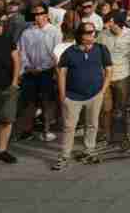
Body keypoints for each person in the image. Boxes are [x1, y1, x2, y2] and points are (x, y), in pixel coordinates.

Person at [55, 22, 112, 170]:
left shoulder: (101, 49)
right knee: (69, 127)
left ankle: (89, 151)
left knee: (92, 124)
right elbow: (61, 73)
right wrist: (63, 95)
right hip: (73, 96)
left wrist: (103, 90)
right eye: (89, 32)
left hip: (95, 94)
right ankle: (65, 156)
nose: (92, 35)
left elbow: (109, 69)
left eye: (93, 32)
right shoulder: (69, 52)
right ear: (80, 35)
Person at [95, 10, 130, 149]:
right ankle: (106, 135)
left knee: (120, 108)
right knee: (106, 108)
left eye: (109, 21)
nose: (107, 24)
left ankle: (122, 137)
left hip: (123, 75)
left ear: (115, 22)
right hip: (105, 76)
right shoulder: (103, 35)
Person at [16, 3, 60, 143]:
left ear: (46, 15)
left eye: (41, 14)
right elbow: (21, 52)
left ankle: (47, 130)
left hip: (47, 72)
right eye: (35, 14)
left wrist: (43, 68)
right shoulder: (27, 32)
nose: (38, 17)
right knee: (29, 102)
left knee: (47, 102)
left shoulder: (55, 32)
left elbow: (56, 53)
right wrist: (27, 68)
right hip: (30, 72)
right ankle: (27, 130)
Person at [0, 14, 20, 164]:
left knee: (6, 118)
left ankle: (2, 150)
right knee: (5, 119)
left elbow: (16, 59)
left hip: (6, 86)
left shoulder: (7, 40)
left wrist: (15, 82)